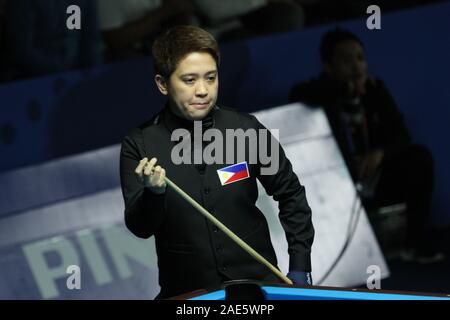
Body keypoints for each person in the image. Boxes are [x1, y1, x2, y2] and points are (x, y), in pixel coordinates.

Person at [120, 25, 314, 299]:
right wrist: (154, 193)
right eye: (189, 80)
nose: (202, 90)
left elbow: (291, 194)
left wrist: (300, 265)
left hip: (258, 289)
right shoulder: (139, 145)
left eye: (210, 78)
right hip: (189, 295)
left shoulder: (247, 130)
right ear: (162, 84)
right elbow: (140, 228)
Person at [289, 27, 444, 264]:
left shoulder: (374, 90)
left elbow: (402, 135)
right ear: (328, 67)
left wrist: (380, 154)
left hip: (374, 177)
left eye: (360, 58)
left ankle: (414, 243)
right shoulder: (315, 92)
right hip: (336, 184)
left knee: (419, 158)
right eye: (346, 60)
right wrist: (343, 90)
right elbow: (298, 95)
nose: (356, 66)